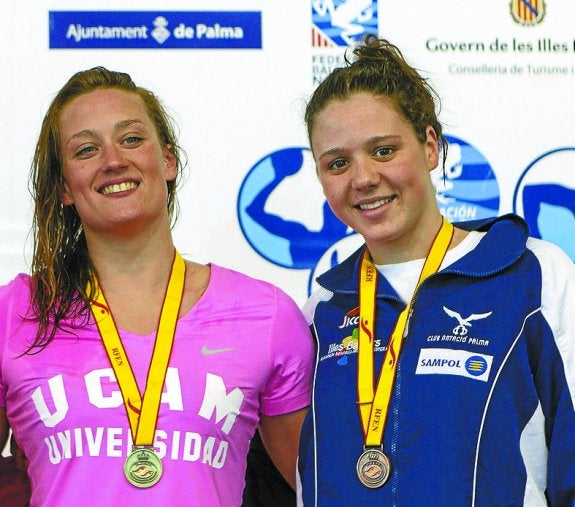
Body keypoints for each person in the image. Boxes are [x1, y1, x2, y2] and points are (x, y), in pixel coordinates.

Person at [0, 66, 314, 506]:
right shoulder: (14, 312)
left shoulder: (266, 315)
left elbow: (317, 492)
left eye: (131, 139)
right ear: (64, 187)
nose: (113, 160)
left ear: (168, 161)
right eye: (86, 149)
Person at [297, 34, 575, 506]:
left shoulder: (533, 275)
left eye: (384, 150)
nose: (363, 178)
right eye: (338, 163)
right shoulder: (321, 310)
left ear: (430, 146)